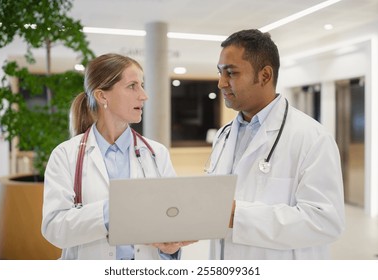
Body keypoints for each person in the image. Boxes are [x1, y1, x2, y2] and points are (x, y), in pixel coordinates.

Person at [206, 29, 345, 259]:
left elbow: (326, 221)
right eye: (220, 73)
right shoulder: (223, 136)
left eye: (231, 73)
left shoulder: (312, 138)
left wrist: (238, 215)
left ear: (265, 76)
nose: (221, 83)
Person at [42, 53, 194, 260]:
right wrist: (113, 210)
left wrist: (170, 247)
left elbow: (170, 220)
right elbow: (54, 228)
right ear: (102, 96)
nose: (144, 95)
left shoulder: (157, 154)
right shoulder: (66, 155)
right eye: (132, 86)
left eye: (142, 85)